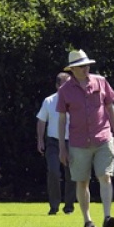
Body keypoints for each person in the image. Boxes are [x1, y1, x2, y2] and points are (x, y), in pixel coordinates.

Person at [57, 50, 114, 227]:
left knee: (105, 176)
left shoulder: (101, 82)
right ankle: (87, 220)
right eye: (81, 66)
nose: (85, 68)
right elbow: (62, 120)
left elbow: (110, 108)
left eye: (87, 65)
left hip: (103, 137)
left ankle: (107, 216)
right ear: (73, 69)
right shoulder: (65, 90)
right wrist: (62, 147)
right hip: (78, 142)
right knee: (82, 181)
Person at [36, 72, 77, 215]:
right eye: (64, 85)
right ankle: (54, 205)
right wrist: (40, 140)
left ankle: (69, 206)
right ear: (57, 86)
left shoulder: (75, 101)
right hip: (53, 142)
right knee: (53, 171)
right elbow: (41, 121)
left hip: (71, 141)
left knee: (71, 174)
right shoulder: (49, 101)